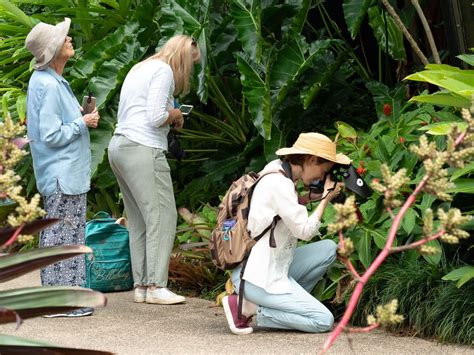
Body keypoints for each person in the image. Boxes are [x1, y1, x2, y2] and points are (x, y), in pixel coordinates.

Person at [222, 132, 349, 335]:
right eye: (322, 170)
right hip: (256, 277)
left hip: (274, 264)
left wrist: (309, 198)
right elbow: (305, 231)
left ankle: (283, 306)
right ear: (311, 160)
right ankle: (252, 308)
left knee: (328, 249)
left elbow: (280, 209)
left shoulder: (276, 169)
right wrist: (326, 199)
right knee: (323, 320)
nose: (321, 177)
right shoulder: (279, 184)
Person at [108, 35, 201, 305]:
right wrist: (176, 115)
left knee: (138, 219)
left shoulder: (141, 67)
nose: (189, 70)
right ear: (182, 58)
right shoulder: (163, 71)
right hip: (143, 148)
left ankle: (141, 286)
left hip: (119, 146)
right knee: (162, 215)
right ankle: (157, 286)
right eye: (190, 63)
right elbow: (156, 117)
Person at [25, 18, 100, 317]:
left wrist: (80, 115)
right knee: (63, 236)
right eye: (64, 39)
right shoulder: (49, 85)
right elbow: (51, 135)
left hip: (63, 173)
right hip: (62, 174)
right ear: (54, 50)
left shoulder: (49, 81)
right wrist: (83, 122)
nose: (69, 40)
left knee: (64, 234)